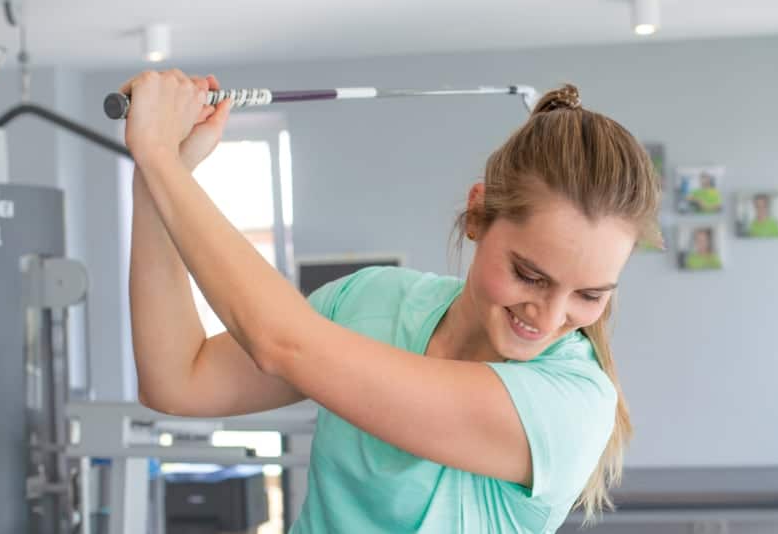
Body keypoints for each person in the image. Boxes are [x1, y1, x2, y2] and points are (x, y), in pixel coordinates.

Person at [121, 73, 660, 533]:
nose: (551, 316)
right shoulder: (373, 298)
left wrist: (160, 157)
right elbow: (178, 381)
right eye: (529, 275)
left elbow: (281, 343)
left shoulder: (572, 403)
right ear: (477, 216)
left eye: (590, 295)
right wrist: (160, 174)